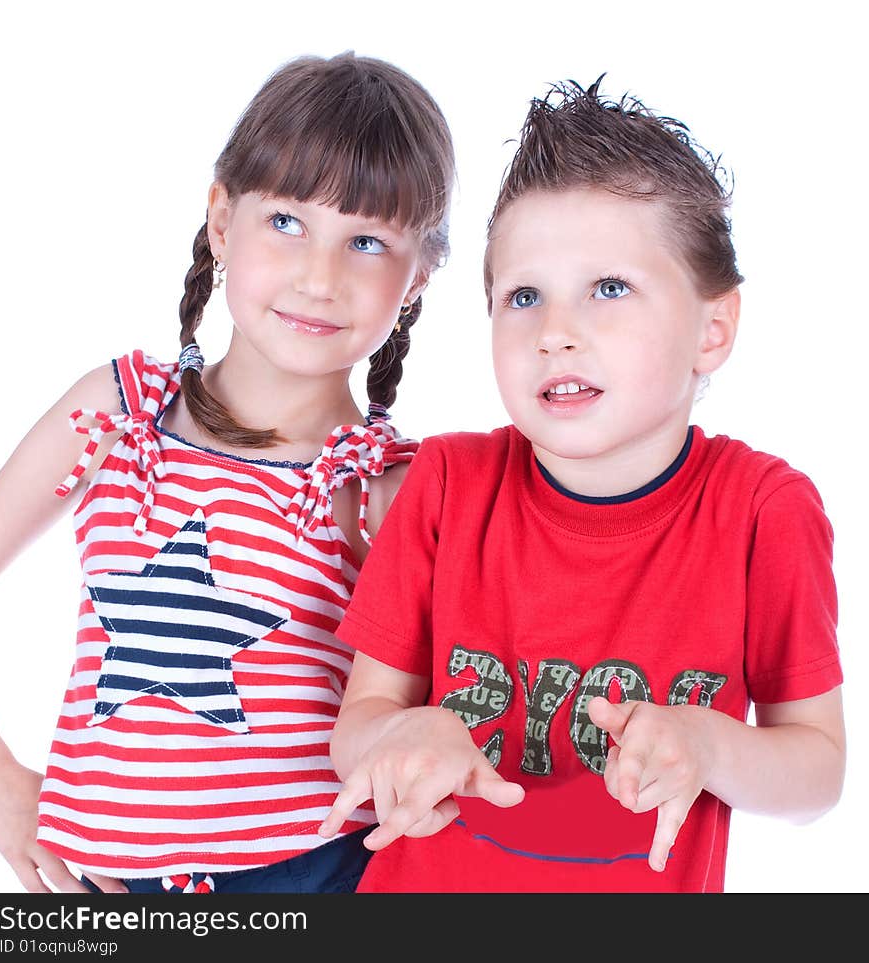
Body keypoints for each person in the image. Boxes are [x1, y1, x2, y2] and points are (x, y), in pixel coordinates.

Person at [319, 77, 846, 892]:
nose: (555, 333)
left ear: (714, 328)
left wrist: (708, 746)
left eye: (608, 288)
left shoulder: (763, 510)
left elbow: (817, 771)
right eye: (523, 296)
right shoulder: (449, 482)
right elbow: (358, 723)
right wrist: (401, 740)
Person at [0, 51, 454, 894]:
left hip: (316, 875)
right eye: (286, 222)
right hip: (105, 887)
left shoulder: (391, 484)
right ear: (220, 218)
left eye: (367, 241)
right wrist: (4, 792)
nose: (320, 276)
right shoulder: (116, 414)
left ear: (418, 274)